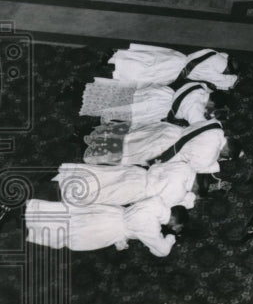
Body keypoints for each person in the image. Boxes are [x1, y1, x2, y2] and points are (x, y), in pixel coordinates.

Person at [22, 196, 186, 257]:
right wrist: (171, 238)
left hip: (113, 212)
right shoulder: (151, 228)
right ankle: (30, 227)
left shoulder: (156, 202)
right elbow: (162, 251)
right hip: (109, 229)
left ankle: (31, 208)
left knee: (72, 213)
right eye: (177, 225)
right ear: (173, 220)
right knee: (71, 232)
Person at [83, 119, 236, 173]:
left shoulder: (216, 126)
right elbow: (195, 166)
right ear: (227, 150)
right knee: (128, 150)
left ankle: (94, 134)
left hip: (169, 131)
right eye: (226, 156)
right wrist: (217, 165)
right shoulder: (209, 157)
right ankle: (95, 152)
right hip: (165, 149)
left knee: (131, 136)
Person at [53, 160, 198, 209]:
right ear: (196, 189)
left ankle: (66, 175)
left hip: (137, 173)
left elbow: (158, 166)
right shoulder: (178, 193)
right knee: (104, 193)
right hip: (136, 190)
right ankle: (66, 192)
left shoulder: (184, 168)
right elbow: (159, 203)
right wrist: (188, 200)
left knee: (103, 175)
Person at [79, 79, 213, 125]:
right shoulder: (196, 105)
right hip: (159, 106)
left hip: (162, 93)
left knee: (124, 95)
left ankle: (89, 93)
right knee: (125, 107)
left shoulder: (200, 88)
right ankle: (86, 103)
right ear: (212, 103)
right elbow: (197, 123)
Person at [108, 44, 237, 90]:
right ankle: (118, 71)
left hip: (178, 58)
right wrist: (233, 79)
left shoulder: (214, 54)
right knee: (148, 71)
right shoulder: (215, 72)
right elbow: (227, 83)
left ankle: (117, 58)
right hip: (174, 72)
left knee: (151, 59)